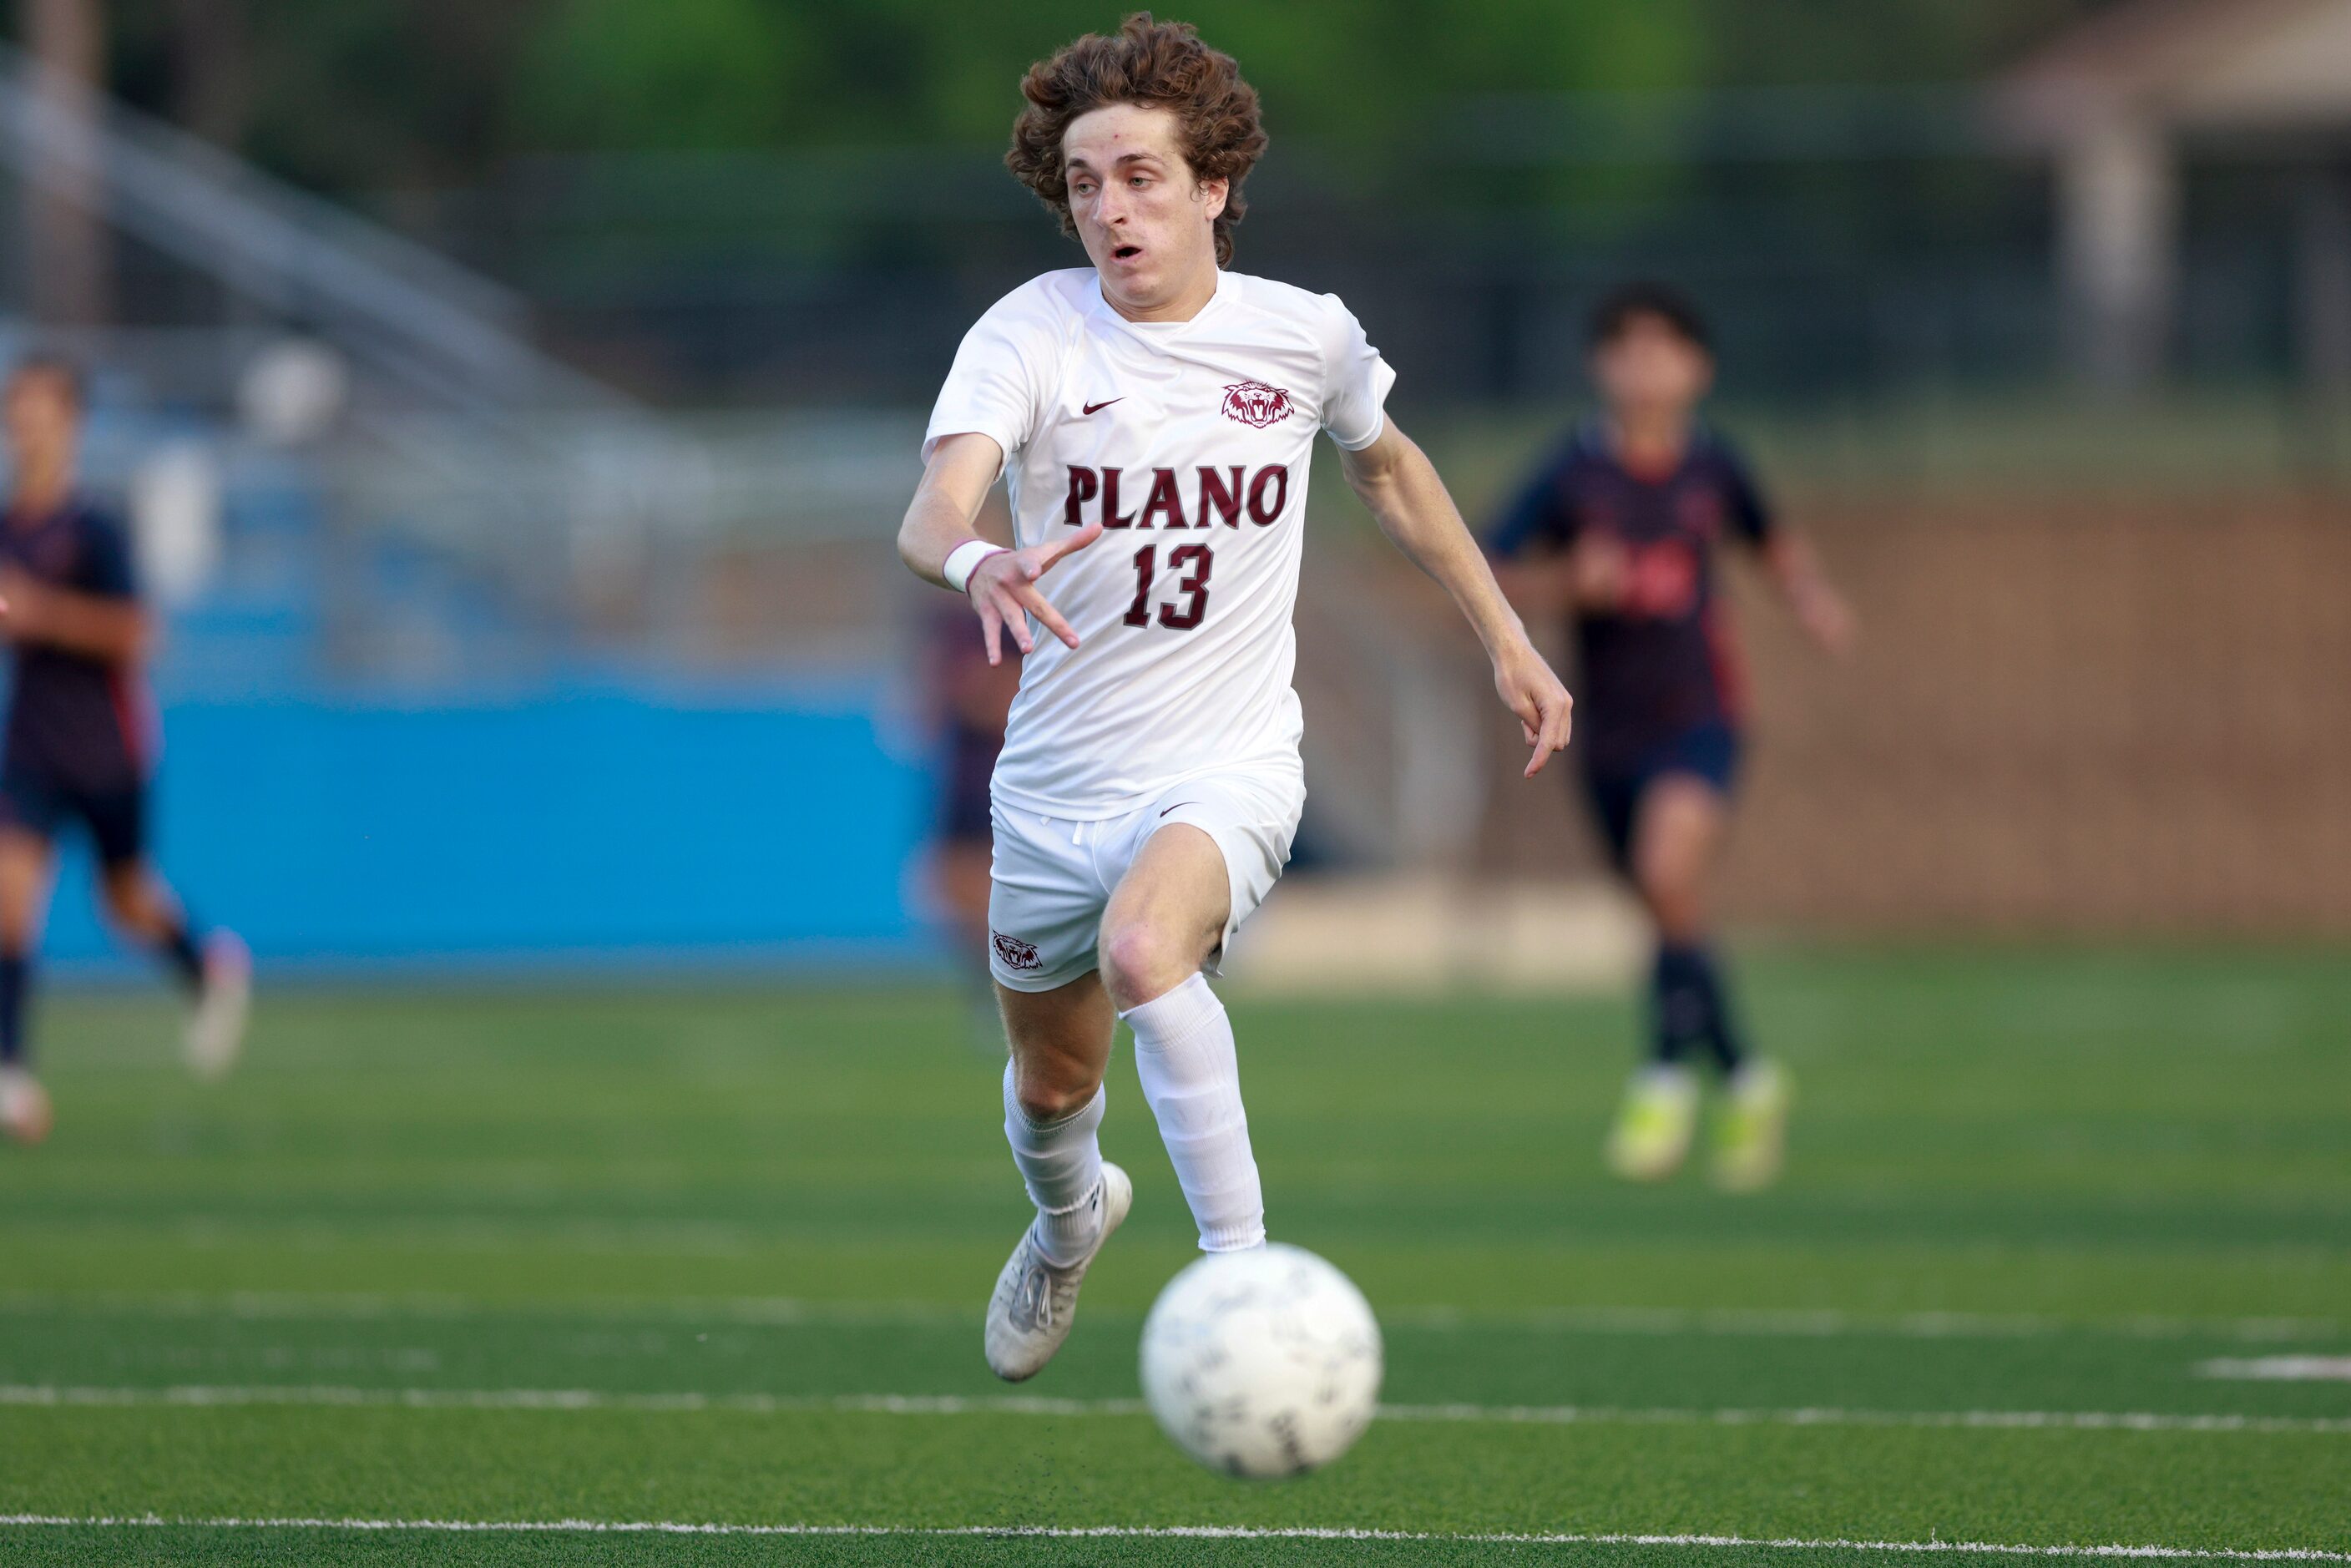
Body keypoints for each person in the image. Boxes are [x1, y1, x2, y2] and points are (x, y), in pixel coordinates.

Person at [896, 14, 1572, 1382]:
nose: (1108, 208)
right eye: (1084, 182)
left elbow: (1389, 469)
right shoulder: (1032, 331)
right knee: (1051, 1091)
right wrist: (982, 556)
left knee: (1153, 953)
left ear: (1212, 186)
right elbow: (933, 508)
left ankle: (1243, 1283)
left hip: (1228, 764)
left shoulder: (1302, 337)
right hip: (1053, 792)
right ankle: (1070, 1217)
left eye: (1139, 175)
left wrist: (1504, 632)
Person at [1487, 283, 1853, 1192]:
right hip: (1601, 727)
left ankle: (1659, 1079)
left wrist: (1808, 599)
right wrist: (1567, 582)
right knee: (1667, 911)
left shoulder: (1712, 465)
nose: (1645, 368)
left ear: (1697, 369)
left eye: (1664, 350)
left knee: (1665, 878)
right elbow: (1486, 566)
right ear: (1599, 366)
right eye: (1626, 349)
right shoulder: (1571, 471)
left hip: (1701, 716)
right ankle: (1745, 1075)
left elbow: (1769, 539)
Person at [0, 355, 250, 1146]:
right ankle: (11, 1070)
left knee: (127, 901)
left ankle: (206, 964)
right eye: (19, 406)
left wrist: (41, 614)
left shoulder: (93, 528)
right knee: (8, 895)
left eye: (41, 406)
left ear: (70, 420)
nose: (27, 421)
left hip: (108, 747)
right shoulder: (7, 527)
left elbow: (139, 633)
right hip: (32, 740)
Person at [925, 487, 1021, 1047]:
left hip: (1003, 775)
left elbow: (1011, 692)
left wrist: (978, 695)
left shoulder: (1016, 602)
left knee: (999, 893)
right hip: (959, 772)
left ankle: (1016, 992)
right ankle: (990, 993)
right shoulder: (946, 613)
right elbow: (936, 688)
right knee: (949, 887)